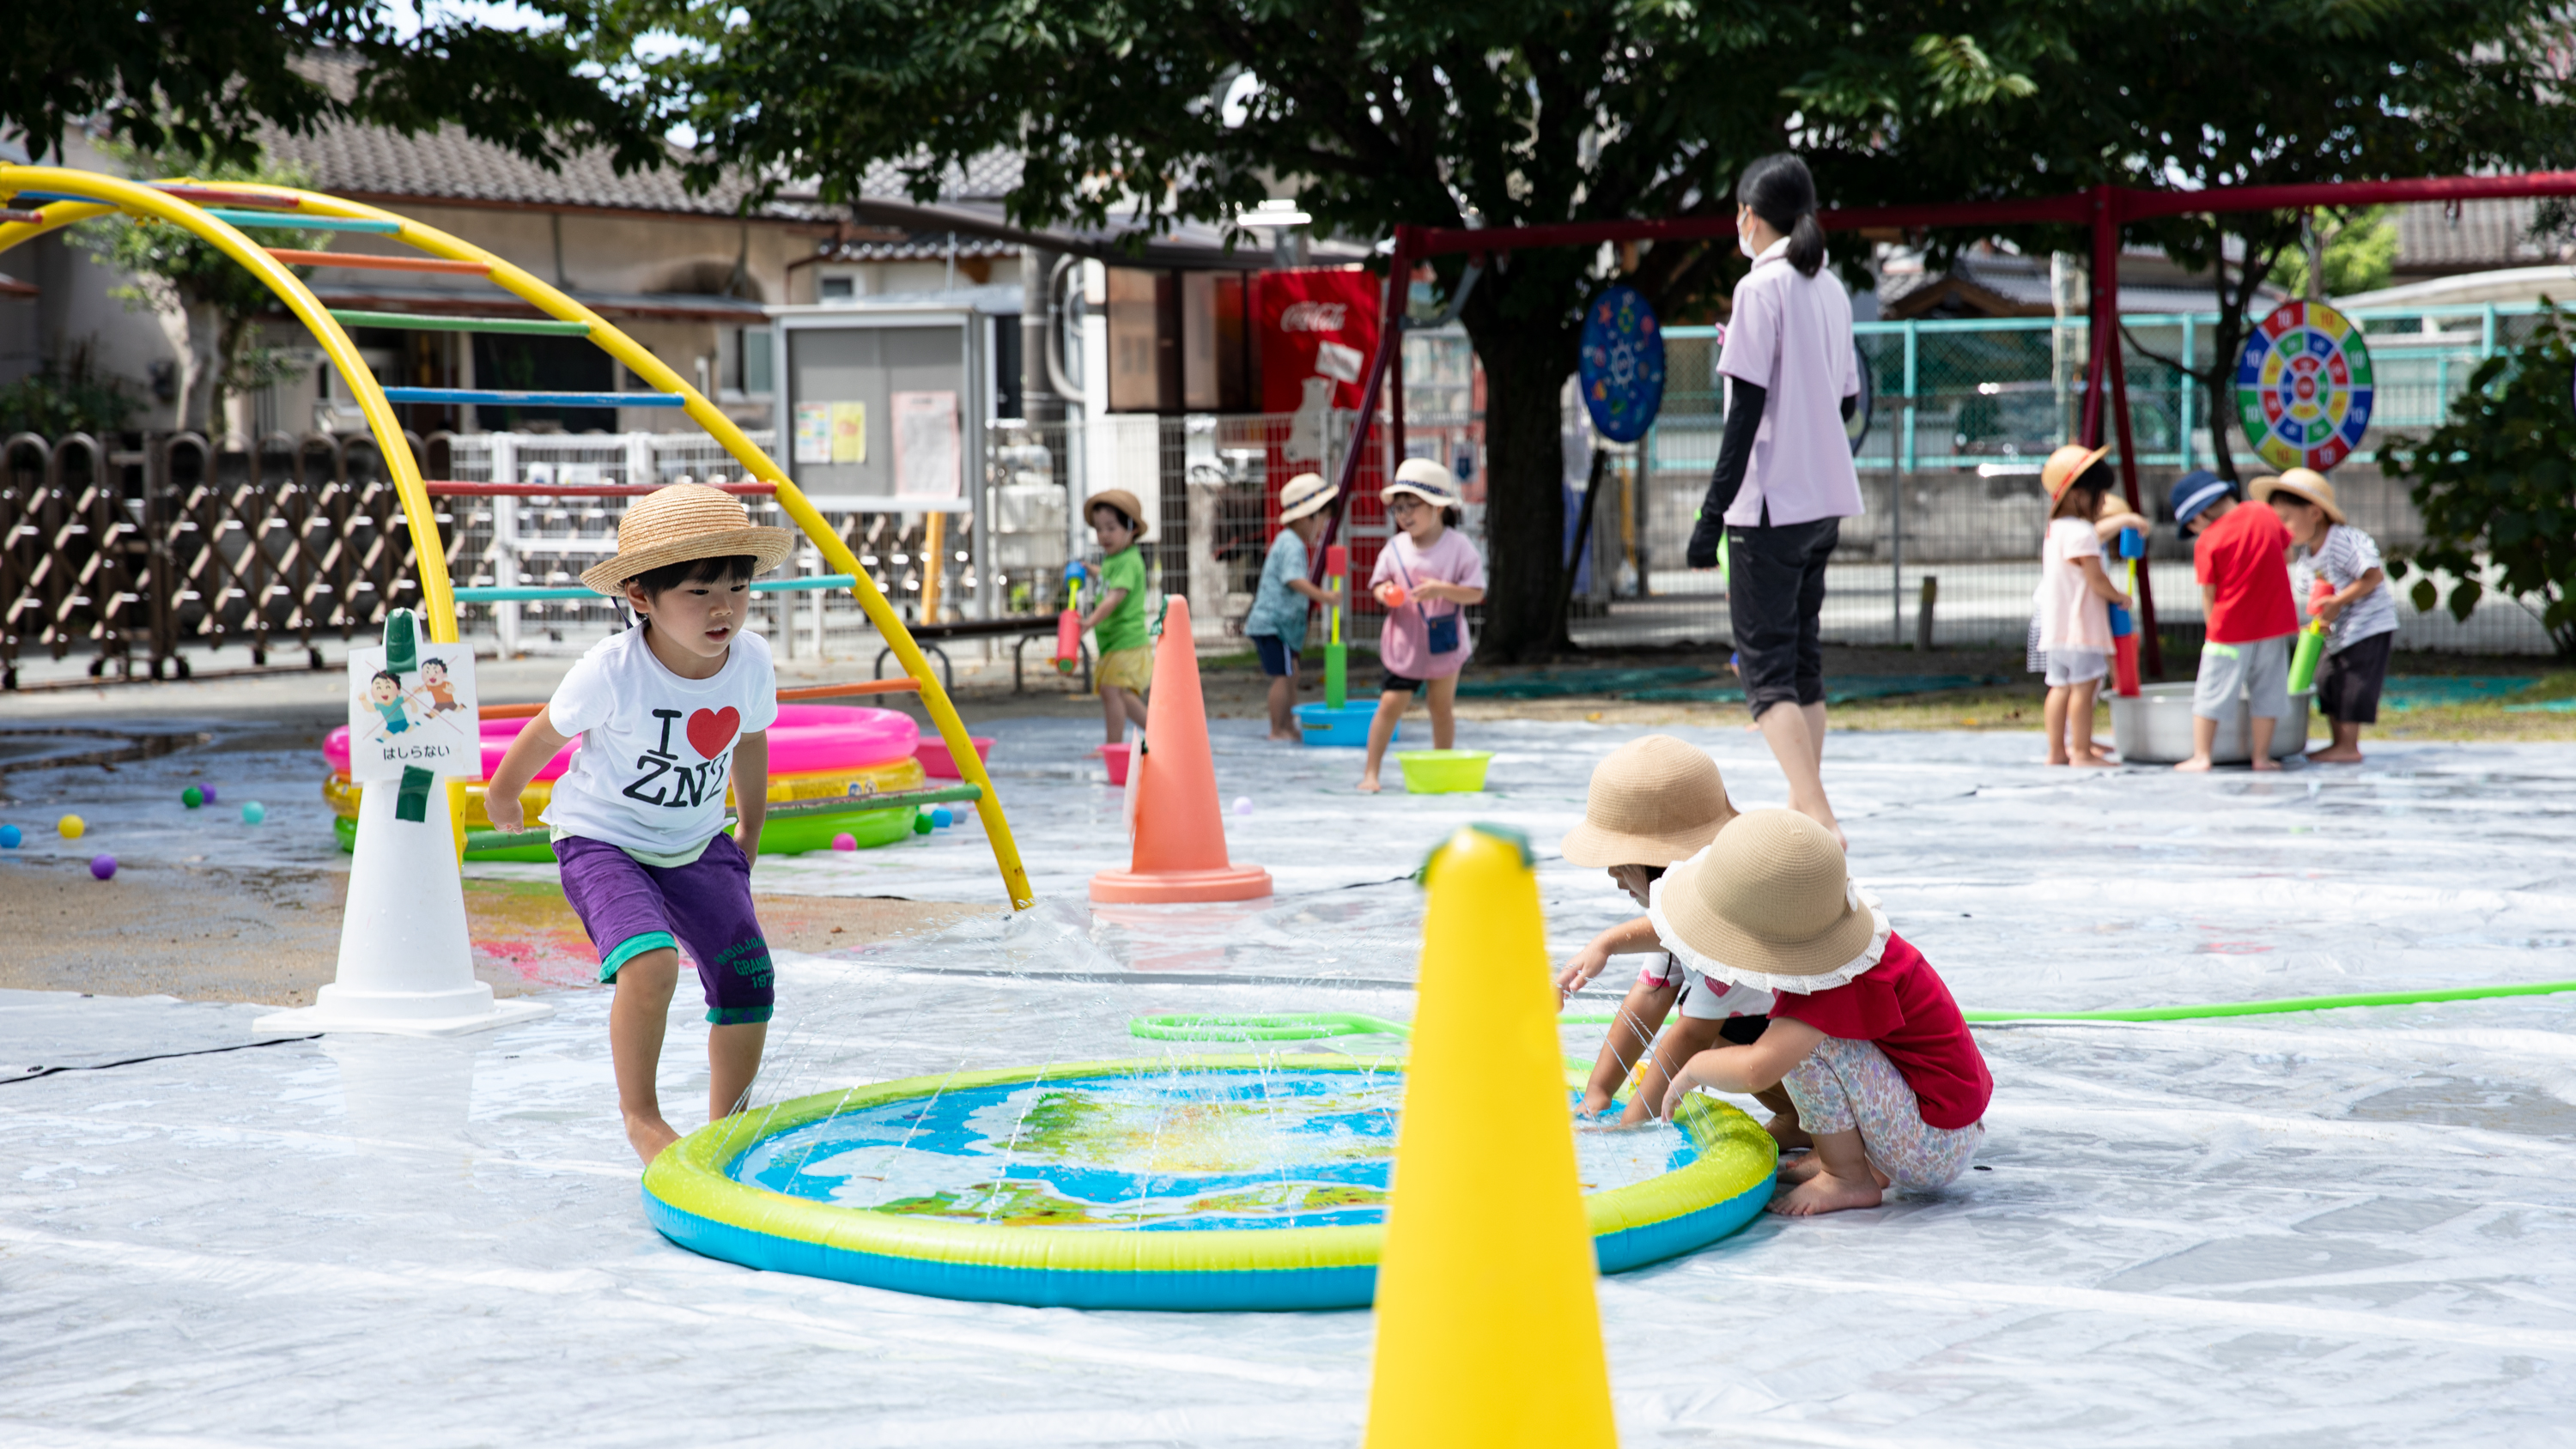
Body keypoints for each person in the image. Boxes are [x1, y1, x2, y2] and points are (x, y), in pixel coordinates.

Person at [483, 483, 794, 1166]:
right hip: (603, 841)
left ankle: (728, 1125)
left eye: (738, 588)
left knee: (748, 975)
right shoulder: (611, 670)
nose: (724, 608)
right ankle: (642, 1117)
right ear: (641, 598)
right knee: (650, 964)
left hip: (695, 841)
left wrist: (749, 829)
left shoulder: (752, 661)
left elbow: (748, 738)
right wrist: (503, 796)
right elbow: (544, 735)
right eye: (699, 591)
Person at [1654, 809, 1992, 1216]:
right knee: (1801, 1034)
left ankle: (1847, 1176)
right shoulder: (1837, 945)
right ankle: (1854, 1160)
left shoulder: (1828, 984)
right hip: (1942, 1120)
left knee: (1800, 1043)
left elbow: (1755, 1070)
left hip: (1934, 1143)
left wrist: (1693, 1069)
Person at [1686, 153, 1862, 847]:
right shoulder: (1833, 289)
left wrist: (1710, 516)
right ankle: (1802, 807)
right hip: (1822, 504)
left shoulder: (1759, 290)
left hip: (1768, 508)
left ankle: (1817, 812)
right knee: (1801, 663)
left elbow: (1746, 409)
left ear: (1750, 217)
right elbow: (1848, 399)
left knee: (1765, 674)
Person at [1554, 736, 1785, 1133]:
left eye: (1622, 861)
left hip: (1845, 1058)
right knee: (1707, 1021)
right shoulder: (1685, 912)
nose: (1612, 873)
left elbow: (1689, 1037)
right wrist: (1598, 1092)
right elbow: (1649, 995)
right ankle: (1801, 1118)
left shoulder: (1732, 930)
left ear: (1665, 863)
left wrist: (1629, 1129)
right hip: (1793, 1043)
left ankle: (1833, 1139)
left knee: (1705, 1026)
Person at [1358, 459, 1486, 793]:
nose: (1403, 515)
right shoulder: (1395, 547)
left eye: (1412, 506)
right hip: (1404, 643)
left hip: (1443, 643)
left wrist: (1441, 589)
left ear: (1439, 507)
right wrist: (1385, 593)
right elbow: (1378, 584)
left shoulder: (1459, 547)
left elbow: (1476, 592)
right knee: (1389, 705)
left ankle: (1442, 768)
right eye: (1398, 508)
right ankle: (1371, 772)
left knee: (1440, 707)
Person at [2257, 468, 2395, 764]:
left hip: (2367, 626)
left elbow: (2373, 577)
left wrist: (2339, 602)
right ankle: (2338, 742)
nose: (2282, 529)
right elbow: (2318, 601)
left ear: (2315, 513)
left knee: (2352, 681)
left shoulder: (2344, 540)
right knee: (2326, 678)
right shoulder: (2307, 557)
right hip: (2338, 632)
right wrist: (2319, 621)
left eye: (2285, 520)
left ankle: (2347, 745)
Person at [2169, 470, 2300, 773]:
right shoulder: (2263, 512)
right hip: (2274, 624)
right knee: (2269, 691)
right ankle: (2262, 758)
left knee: (2211, 691)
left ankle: (2202, 756)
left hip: (2228, 630)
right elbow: (2288, 555)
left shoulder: (2208, 540)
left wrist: (2210, 630)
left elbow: (2209, 592)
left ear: (2199, 516)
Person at [2031, 444, 2136, 767]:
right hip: (2082, 629)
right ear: (2078, 494)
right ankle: (2080, 752)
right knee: (2084, 687)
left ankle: (2057, 752)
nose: (2104, 502)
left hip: (2057, 629)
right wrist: (2119, 596)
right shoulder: (2082, 532)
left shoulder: (2055, 530)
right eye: (2100, 494)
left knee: (2059, 688)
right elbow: (2095, 578)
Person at [1245, 471, 1342, 741]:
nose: (1322, 527)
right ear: (1305, 516)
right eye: (1321, 520)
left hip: (1277, 626)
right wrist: (1324, 596)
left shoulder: (1289, 542)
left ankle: (1288, 724)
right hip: (1273, 625)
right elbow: (1293, 579)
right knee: (1283, 676)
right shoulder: (1291, 544)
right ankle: (1278, 729)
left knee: (1292, 672)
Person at [1083, 488, 1154, 747]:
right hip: (1116, 643)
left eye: (1111, 528)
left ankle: (1112, 746)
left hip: (1127, 641)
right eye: (1099, 529)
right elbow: (1109, 577)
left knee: (1112, 692)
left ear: (1132, 528)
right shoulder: (1116, 559)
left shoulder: (1127, 561)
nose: (1104, 535)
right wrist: (1092, 571)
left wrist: (1089, 622)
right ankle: (1159, 735)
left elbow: (1113, 598)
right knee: (1120, 695)